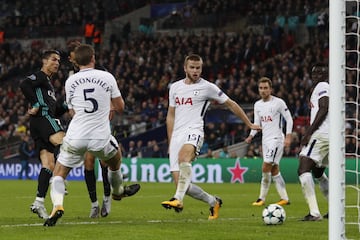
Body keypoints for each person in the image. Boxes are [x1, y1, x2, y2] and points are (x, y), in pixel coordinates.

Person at [44, 44, 140, 227]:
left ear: (76, 61)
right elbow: (120, 107)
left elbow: (71, 110)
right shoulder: (107, 77)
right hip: (100, 136)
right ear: (93, 58)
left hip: (76, 135)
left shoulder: (71, 81)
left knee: (59, 174)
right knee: (115, 159)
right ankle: (118, 191)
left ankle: (57, 206)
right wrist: (109, 107)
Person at [161, 54, 261, 220]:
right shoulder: (175, 87)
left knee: (184, 157)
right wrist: (170, 140)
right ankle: (213, 201)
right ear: (185, 68)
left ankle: (177, 199)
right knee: (182, 184)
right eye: (192, 67)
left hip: (195, 130)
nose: (195, 71)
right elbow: (170, 115)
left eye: (198, 68)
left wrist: (248, 123)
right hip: (177, 135)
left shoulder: (208, 87)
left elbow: (231, 104)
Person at [67, 41, 113, 218]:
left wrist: (107, 117)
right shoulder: (71, 75)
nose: (71, 58)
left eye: (72, 55)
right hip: (84, 126)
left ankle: (107, 198)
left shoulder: (101, 72)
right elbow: (71, 103)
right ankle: (94, 204)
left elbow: (111, 98)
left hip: (101, 123)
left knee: (103, 162)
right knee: (88, 163)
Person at [20, 50, 67, 219]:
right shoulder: (39, 76)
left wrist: (66, 105)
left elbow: (56, 110)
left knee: (48, 164)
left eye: (59, 61)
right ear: (44, 61)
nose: (57, 63)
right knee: (67, 144)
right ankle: (62, 179)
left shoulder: (48, 84)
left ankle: (39, 202)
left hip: (40, 123)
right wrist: (35, 103)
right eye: (54, 59)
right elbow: (24, 84)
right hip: (44, 118)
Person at [245, 77, 293, 207]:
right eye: (261, 88)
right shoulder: (257, 105)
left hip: (276, 139)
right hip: (265, 141)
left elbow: (289, 119)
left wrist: (288, 137)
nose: (263, 90)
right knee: (274, 170)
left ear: (271, 89)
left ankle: (261, 198)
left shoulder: (279, 103)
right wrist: (251, 136)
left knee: (265, 167)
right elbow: (256, 124)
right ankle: (284, 198)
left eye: (266, 88)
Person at [298, 63, 329, 221]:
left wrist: (308, 133)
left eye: (320, 72)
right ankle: (334, 209)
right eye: (314, 73)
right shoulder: (327, 87)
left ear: (326, 75)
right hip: (332, 136)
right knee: (318, 172)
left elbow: (324, 107)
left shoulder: (322, 86)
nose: (316, 76)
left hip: (321, 134)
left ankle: (314, 213)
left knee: (303, 167)